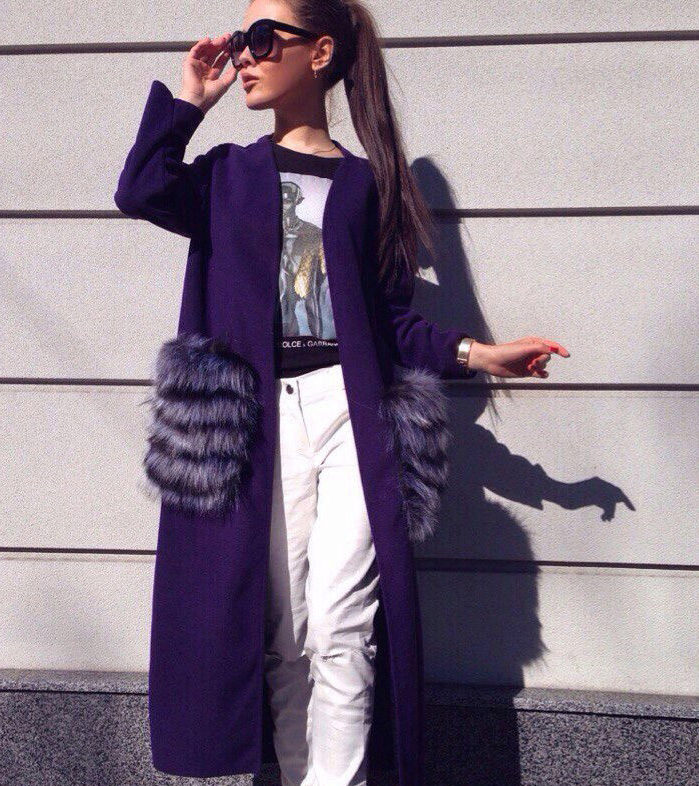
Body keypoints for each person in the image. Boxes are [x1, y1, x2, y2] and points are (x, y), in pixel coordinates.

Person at [115, 2, 569, 784]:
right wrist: (190, 101)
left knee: (342, 621)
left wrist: (477, 353)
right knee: (288, 629)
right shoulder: (225, 175)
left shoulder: (366, 186)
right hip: (257, 423)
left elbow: (390, 320)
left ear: (320, 52)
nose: (244, 54)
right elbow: (140, 189)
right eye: (240, 39)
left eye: (263, 38)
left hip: (351, 413)